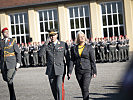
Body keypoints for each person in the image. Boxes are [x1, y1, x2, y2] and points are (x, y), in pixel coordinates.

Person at [39, 29, 70, 100]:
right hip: (51, 70)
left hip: (60, 69)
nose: (52, 37)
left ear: (57, 35)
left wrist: (69, 71)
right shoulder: (47, 45)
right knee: (53, 89)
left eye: (53, 35)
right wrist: (45, 43)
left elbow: (67, 58)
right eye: (50, 36)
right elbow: (40, 54)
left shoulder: (63, 44)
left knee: (59, 87)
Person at [68, 31, 97, 100]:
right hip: (78, 71)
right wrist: (69, 71)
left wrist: (94, 71)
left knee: (85, 87)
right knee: (82, 88)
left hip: (87, 70)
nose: (82, 38)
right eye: (80, 36)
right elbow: (72, 60)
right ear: (77, 38)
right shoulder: (74, 48)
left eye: (83, 36)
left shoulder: (89, 47)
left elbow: (93, 60)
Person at [0, 27, 21, 100]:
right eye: (5, 32)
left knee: (9, 78)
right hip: (3, 64)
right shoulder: (1, 42)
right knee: (5, 79)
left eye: (7, 32)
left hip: (11, 63)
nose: (7, 33)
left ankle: (12, 97)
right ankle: (13, 96)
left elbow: (18, 52)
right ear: (2, 33)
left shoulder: (12, 41)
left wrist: (18, 62)